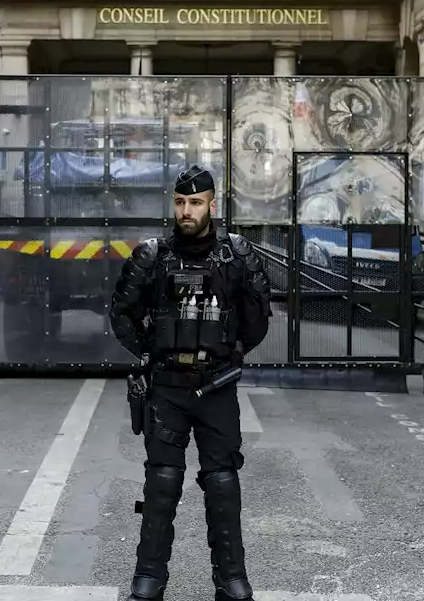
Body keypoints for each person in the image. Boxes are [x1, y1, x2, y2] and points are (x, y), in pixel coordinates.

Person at [109, 164, 272, 601]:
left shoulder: (237, 256)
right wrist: (150, 350)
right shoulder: (153, 256)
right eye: (181, 202)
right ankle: (149, 576)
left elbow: (257, 322)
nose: (187, 210)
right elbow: (120, 312)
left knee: (222, 481)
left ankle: (231, 578)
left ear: (211, 205)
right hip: (166, 388)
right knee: (162, 481)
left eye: (195, 202)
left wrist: (226, 353)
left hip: (217, 388)